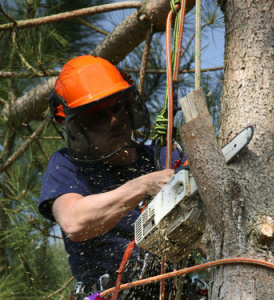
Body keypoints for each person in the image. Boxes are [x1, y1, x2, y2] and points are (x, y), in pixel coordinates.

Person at [38, 55, 194, 299]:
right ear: (76, 126)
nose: (114, 120)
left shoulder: (164, 157)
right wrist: (141, 186)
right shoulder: (68, 165)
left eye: (117, 107)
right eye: (97, 116)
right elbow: (74, 223)